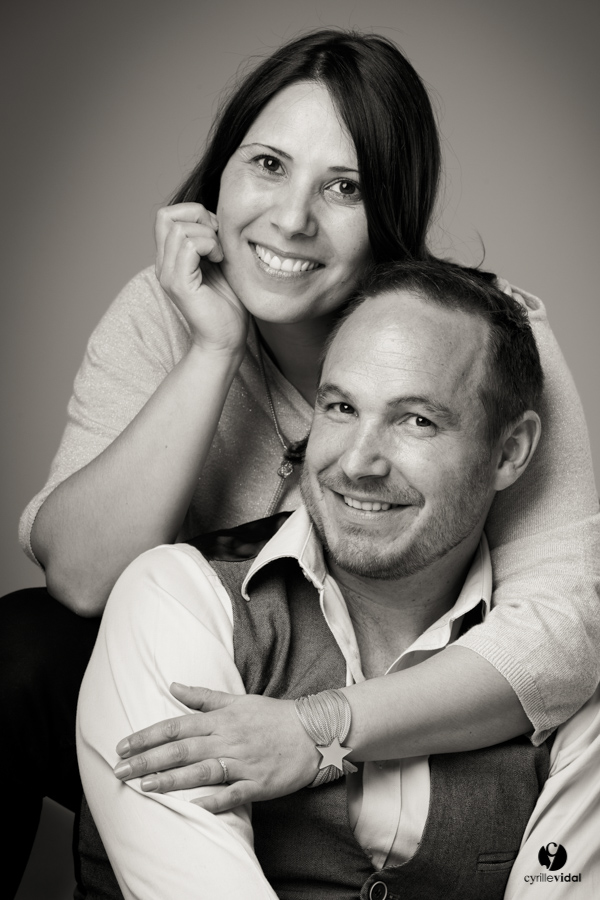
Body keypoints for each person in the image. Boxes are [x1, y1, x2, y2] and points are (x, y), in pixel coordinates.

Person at [4, 28, 599, 895]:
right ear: (220, 175)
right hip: (203, 683)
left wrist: (319, 726)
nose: (291, 219)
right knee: (18, 650)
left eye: (344, 187)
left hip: (425, 710)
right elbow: (84, 579)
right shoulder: (164, 311)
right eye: (268, 165)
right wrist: (213, 349)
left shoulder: (478, 339)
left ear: (390, 211)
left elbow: (567, 631)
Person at [76, 260, 600, 900]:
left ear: (511, 451)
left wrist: (318, 728)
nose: (358, 462)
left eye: (417, 420)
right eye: (342, 407)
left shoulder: (571, 683)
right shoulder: (177, 604)